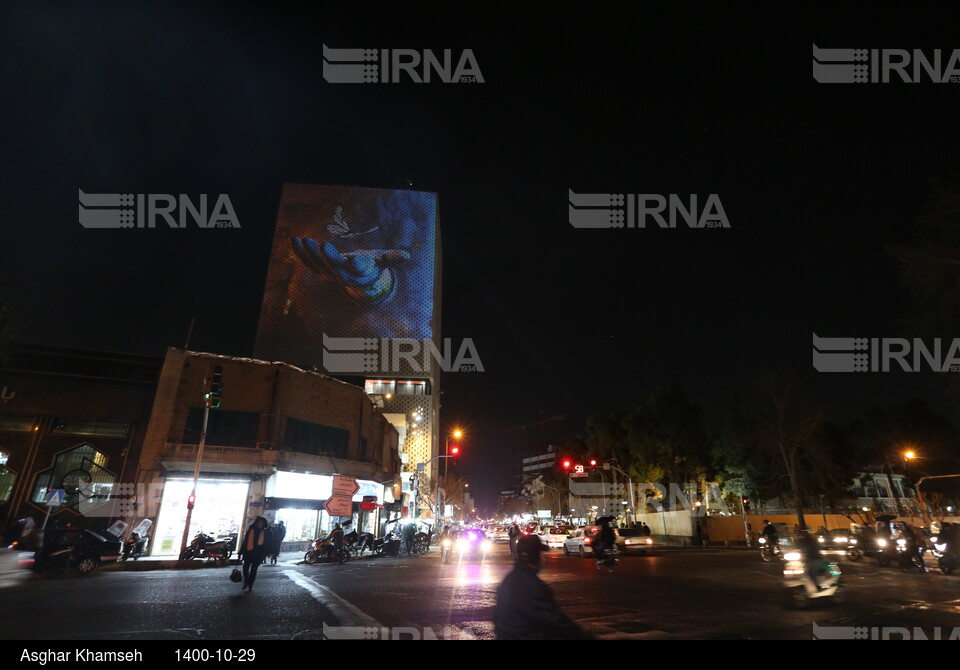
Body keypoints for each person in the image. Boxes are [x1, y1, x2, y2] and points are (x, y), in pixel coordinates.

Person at [494, 534, 594, 640]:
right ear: (534, 556)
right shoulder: (535, 587)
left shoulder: (509, 580)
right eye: (540, 553)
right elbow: (557, 623)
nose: (543, 557)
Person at [238, 516, 269, 591]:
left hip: (258, 554)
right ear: (256, 522)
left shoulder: (264, 532)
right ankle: (246, 582)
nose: (260, 524)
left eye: (262, 523)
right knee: (245, 568)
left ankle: (250, 584)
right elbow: (246, 542)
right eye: (259, 522)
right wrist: (240, 552)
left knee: (253, 570)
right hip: (249, 552)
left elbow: (266, 544)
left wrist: (264, 555)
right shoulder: (251, 530)